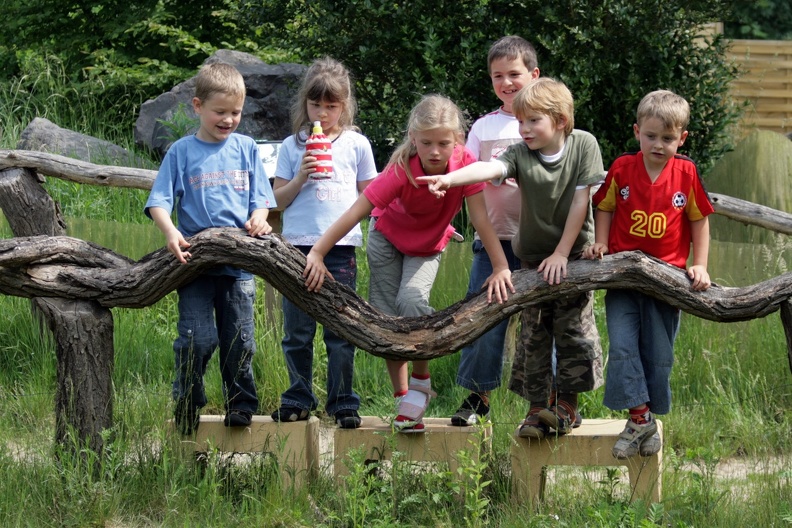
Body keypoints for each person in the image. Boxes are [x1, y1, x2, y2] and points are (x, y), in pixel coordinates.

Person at [302, 94, 514, 433]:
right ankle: (404, 400)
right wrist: (317, 252)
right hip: (386, 239)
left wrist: (501, 266)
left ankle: (421, 382)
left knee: (412, 301)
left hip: (428, 245)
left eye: (443, 143)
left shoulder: (465, 165)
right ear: (413, 138)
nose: (434, 151)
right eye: (426, 142)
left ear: (457, 140)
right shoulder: (401, 168)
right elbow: (356, 211)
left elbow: (481, 221)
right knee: (389, 320)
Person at [419, 78, 604, 439]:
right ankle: (537, 409)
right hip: (531, 259)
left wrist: (563, 253)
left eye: (533, 120)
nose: (524, 129)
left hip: (574, 256)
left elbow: (582, 201)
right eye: (521, 121)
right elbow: (489, 169)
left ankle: (566, 405)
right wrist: (451, 179)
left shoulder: (584, 145)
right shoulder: (521, 153)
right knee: (533, 335)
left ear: (561, 120)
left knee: (573, 331)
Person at [145, 62, 277, 435]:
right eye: (220, 112)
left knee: (240, 340)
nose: (229, 120)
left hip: (239, 265)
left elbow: (261, 200)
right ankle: (187, 398)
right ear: (197, 106)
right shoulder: (181, 152)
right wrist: (169, 230)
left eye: (236, 112)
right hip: (195, 265)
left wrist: (260, 217)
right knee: (195, 339)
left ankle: (241, 404)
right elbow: (159, 200)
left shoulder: (247, 148)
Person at [583, 89, 713, 458]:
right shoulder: (623, 167)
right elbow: (604, 207)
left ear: (682, 138)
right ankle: (638, 418)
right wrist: (602, 243)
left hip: (667, 278)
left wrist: (699, 264)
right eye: (651, 136)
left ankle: (647, 420)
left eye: (668, 138)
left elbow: (699, 220)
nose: (658, 144)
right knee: (623, 345)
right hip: (623, 274)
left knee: (658, 351)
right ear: (637, 131)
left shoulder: (685, 172)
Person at [270, 57, 378, 430]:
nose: (324, 112)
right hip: (297, 248)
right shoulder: (291, 146)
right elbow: (278, 201)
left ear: (344, 105)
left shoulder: (357, 145)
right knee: (297, 332)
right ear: (306, 104)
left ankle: (343, 401)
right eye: (316, 104)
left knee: (341, 330)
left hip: (342, 249)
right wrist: (301, 174)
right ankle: (298, 397)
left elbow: (370, 197)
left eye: (332, 105)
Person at [452, 35, 540, 426]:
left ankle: (543, 400)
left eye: (514, 74)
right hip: (493, 240)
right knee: (483, 318)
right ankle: (477, 396)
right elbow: (465, 176)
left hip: (540, 241)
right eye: (497, 76)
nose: (506, 83)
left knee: (541, 324)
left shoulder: (547, 122)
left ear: (534, 75)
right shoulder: (485, 128)